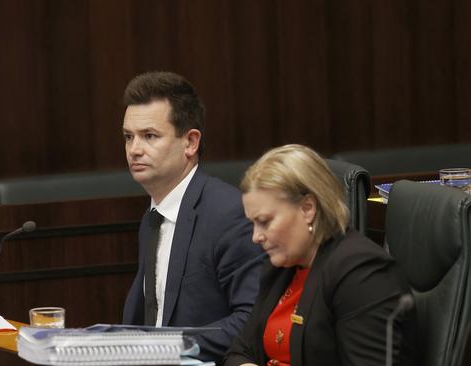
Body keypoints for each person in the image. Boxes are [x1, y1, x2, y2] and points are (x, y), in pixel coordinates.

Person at [224, 144, 415, 366]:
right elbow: (238, 352)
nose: (256, 237)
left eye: (264, 222)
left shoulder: (363, 274)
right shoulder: (281, 265)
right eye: (253, 224)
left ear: (308, 208)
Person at [121, 71, 265, 362]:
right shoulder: (154, 216)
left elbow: (252, 319)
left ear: (190, 143)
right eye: (128, 137)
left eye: (149, 136)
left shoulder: (229, 214)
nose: (134, 150)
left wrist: (163, 346)